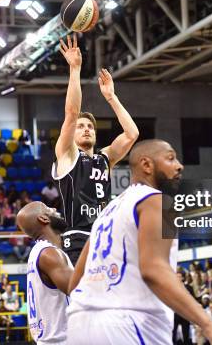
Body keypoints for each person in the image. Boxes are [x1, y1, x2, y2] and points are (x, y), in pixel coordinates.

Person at [65, 139, 212, 345]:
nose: (179, 165)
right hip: (128, 323)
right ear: (147, 165)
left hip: (80, 326)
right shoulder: (157, 200)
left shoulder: (107, 212)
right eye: (171, 158)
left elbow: (74, 284)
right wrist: (209, 325)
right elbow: (153, 269)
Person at [54, 34, 139, 263]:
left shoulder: (104, 159)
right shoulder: (67, 155)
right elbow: (71, 113)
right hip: (78, 237)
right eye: (81, 127)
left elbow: (132, 134)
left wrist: (111, 97)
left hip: (104, 235)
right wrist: (75, 70)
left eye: (90, 126)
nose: (86, 129)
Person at [16, 201, 74, 344]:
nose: (54, 209)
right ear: (44, 218)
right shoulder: (49, 254)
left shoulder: (38, 253)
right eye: (49, 209)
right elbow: (81, 291)